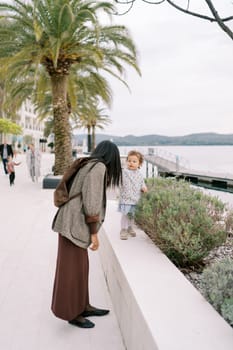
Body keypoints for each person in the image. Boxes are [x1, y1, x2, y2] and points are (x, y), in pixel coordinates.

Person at [51, 140, 122, 329]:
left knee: (80, 268)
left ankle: (83, 306)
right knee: (71, 271)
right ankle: (71, 313)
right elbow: (91, 201)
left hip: (71, 222)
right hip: (73, 224)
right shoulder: (98, 167)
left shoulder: (88, 163)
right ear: (112, 157)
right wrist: (94, 234)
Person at [118, 150, 148, 240]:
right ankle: (123, 229)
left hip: (135, 199)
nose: (131, 163)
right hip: (126, 198)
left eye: (134, 161)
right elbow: (119, 182)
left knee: (132, 215)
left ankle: (130, 227)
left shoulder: (139, 174)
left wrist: (144, 187)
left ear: (139, 164)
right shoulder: (124, 172)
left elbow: (142, 183)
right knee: (125, 214)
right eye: (129, 161)